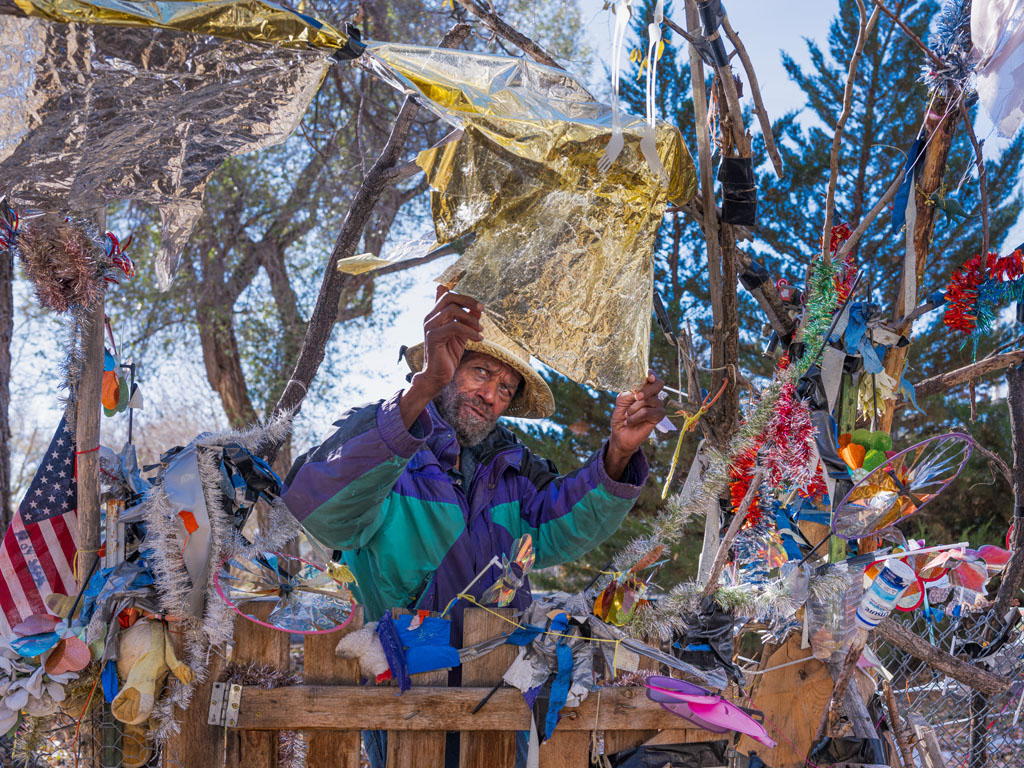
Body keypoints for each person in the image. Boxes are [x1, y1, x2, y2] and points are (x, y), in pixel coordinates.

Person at [281, 289, 665, 765]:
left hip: (498, 694)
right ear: (447, 363)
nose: (490, 395)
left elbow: (563, 530)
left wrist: (619, 453)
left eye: (505, 388)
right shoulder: (384, 438)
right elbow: (323, 513)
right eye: (481, 372)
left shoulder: (515, 470)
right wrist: (423, 388)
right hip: (404, 692)